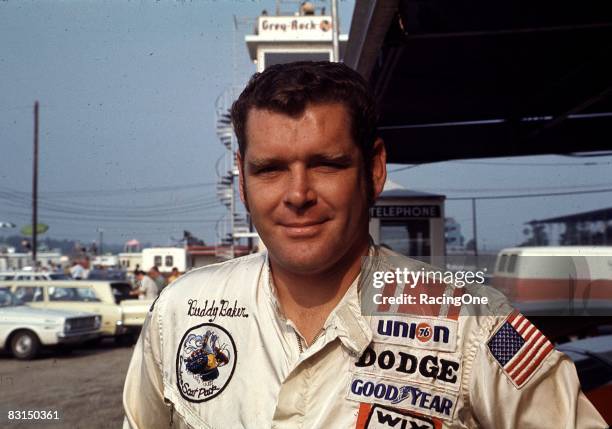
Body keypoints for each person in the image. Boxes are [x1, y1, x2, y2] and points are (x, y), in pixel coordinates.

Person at [123, 62, 606, 428]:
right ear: (244, 183)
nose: (297, 195)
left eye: (327, 164)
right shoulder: (181, 311)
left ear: (374, 170)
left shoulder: (472, 323)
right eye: (270, 169)